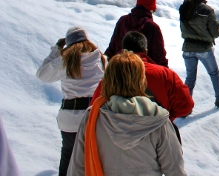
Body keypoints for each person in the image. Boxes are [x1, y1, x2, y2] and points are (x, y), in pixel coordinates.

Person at [67, 51, 186, 176]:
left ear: (108, 79)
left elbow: (78, 167)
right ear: (140, 79)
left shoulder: (93, 116)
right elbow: (175, 170)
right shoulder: (158, 118)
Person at [36, 26, 105, 176]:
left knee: (68, 154)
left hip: (70, 117)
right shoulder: (99, 58)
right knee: (92, 157)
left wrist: (56, 50)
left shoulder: (66, 60)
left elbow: (42, 74)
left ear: (69, 43)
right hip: (93, 116)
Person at [91, 31, 194, 121]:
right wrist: (167, 116)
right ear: (145, 51)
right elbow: (186, 106)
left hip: (116, 139)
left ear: (122, 51)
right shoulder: (166, 75)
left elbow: (93, 108)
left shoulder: (110, 78)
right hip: (156, 136)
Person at [179, 0, 219, 108]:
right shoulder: (207, 10)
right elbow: (216, 33)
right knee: (214, 73)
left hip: (187, 47)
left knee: (190, 78)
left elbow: (182, 28)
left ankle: (184, 106)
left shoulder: (184, 8)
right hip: (204, 48)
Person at [105, 0, 169, 67]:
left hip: (120, 69)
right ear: (151, 9)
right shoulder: (152, 27)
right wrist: (166, 74)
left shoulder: (122, 21)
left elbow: (112, 48)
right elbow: (159, 56)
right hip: (143, 73)